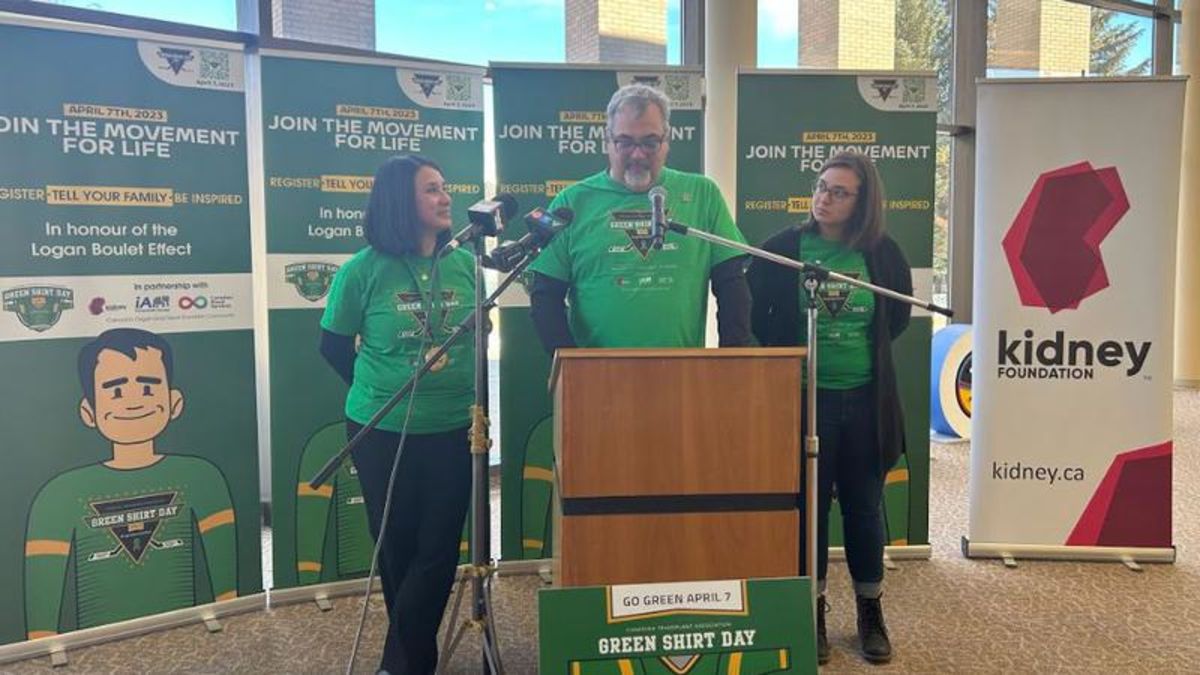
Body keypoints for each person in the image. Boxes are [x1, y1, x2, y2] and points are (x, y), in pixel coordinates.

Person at [746, 151, 912, 665]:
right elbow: (759, 313)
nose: (824, 198)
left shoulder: (882, 254)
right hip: (803, 401)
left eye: (839, 192)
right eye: (820, 187)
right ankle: (810, 611)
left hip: (864, 400)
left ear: (863, 202)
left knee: (863, 508)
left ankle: (870, 610)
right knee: (810, 510)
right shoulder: (783, 250)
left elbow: (897, 316)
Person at [319, 155, 475, 675]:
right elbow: (333, 346)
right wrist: (378, 390)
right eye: (432, 189)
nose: (445, 197)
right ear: (400, 203)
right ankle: (413, 663)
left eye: (443, 186)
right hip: (379, 428)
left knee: (438, 549)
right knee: (397, 548)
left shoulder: (465, 265)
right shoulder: (361, 271)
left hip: (454, 428)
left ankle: (399, 663)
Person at [26, 328, 237, 639]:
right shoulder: (57, 496)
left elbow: (227, 587)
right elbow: (42, 613)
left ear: (174, 401)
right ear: (89, 411)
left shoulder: (203, 477)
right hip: (94, 646)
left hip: (187, 635)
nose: (134, 403)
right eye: (116, 391)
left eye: (149, 388)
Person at [529, 83, 751, 351]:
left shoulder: (703, 195)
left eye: (649, 142)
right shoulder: (572, 201)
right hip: (597, 376)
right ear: (607, 141)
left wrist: (733, 360)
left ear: (666, 141)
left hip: (684, 373)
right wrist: (572, 368)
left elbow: (731, 285)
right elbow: (546, 296)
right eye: (625, 142)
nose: (638, 154)